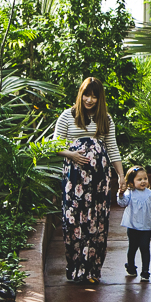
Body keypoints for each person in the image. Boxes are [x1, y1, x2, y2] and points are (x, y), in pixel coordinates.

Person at [53, 77, 125, 284]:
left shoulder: (105, 119)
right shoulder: (68, 116)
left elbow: (113, 149)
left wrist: (121, 175)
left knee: (96, 219)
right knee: (74, 219)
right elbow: (54, 145)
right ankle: (76, 267)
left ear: (99, 98)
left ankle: (92, 269)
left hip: (99, 180)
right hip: (74, 180)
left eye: (94, 96)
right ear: (80, 94)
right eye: (86, 94)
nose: (90, 99)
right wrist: (72, 155)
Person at [117, 165, 151, 281]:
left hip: (145, 227)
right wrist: (120, 194)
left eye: (145, 178)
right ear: (131, 181)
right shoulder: (130, 193)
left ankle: (145, 271)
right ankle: (131, 266)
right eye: (139, 179)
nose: (143, 181)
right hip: (133, 226)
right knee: (132, 248)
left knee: (145, 248)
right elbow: (123, 203)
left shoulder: (150, 193)